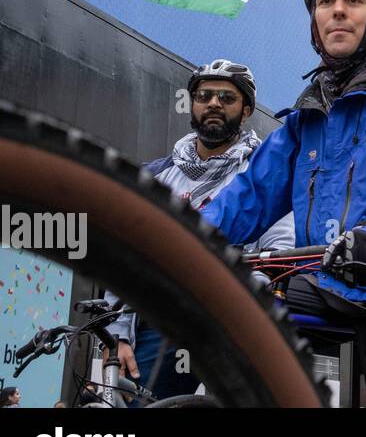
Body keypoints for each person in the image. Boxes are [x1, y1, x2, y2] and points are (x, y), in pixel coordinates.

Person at [203, 0, 366, 407]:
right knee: (236, 321)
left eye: (353, 0)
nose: (337, 10)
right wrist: (179, 233)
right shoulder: (305, 118)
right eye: (326, 0)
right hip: (324, 280)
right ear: (314, 19)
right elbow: (250, 195)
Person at [103, 59, 293, 402]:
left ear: (246, 110)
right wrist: (117, 335)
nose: (214, 103)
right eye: (204, 95)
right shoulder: (156, 175)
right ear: (192, 104)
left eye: (227, 97)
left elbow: (279, 256)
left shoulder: (263, 174)